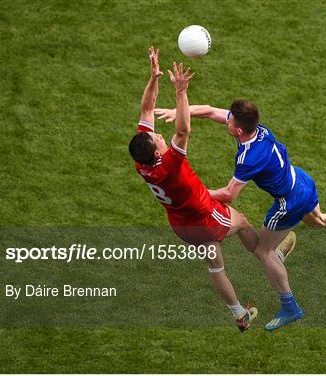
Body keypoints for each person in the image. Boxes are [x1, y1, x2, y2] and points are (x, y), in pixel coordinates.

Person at [155, 101, 326, 331]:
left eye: (230, 122)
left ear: (238, 129)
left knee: (264, 252)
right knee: (319, 221)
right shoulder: (258, 129)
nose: (226, 122)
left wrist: (192, 192)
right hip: (300, 181)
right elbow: (208, 111)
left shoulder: (248, 158)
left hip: (287, 203)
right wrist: (180, 112)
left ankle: (289, 306)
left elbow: (229, 195)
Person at [128, 49, 295, 331]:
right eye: (156, 138)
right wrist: (181, 92)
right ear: (157, 151)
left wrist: (153, 78)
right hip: (204, 217)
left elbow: (146, 109)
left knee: (215, 263)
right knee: (241, 221)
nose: (157, 134)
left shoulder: (142, 161)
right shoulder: (169, 163)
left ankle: (240, 314)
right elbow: (183, 131)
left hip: (180, 225)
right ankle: (269, 254)